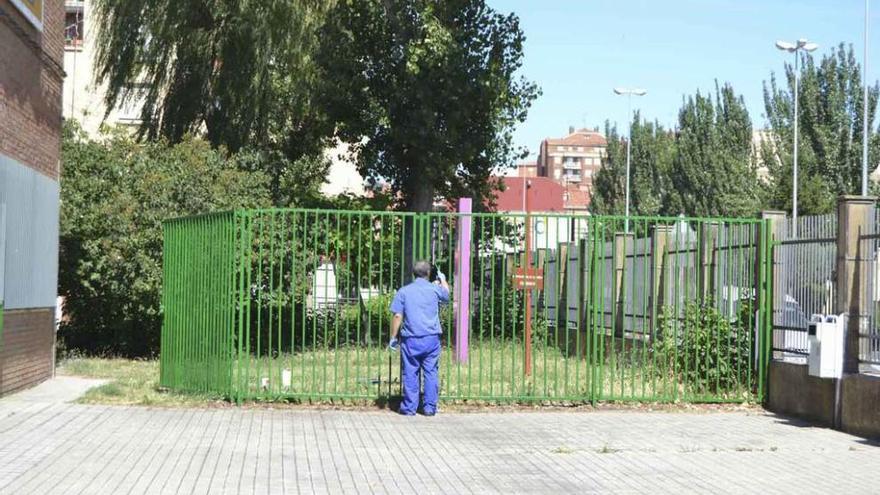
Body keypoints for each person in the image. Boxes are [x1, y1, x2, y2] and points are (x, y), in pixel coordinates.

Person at [388, 260, 450, 416]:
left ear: (413, 273)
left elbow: (397, 315)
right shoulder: (435, 289)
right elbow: (447, 295)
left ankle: (409, 407)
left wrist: (393, 338)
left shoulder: (404, 291)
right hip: (431, 338)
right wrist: (442, 279)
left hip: (411, 339)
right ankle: (429, 408)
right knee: (430, 372)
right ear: (429, 273)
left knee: (410, 372)